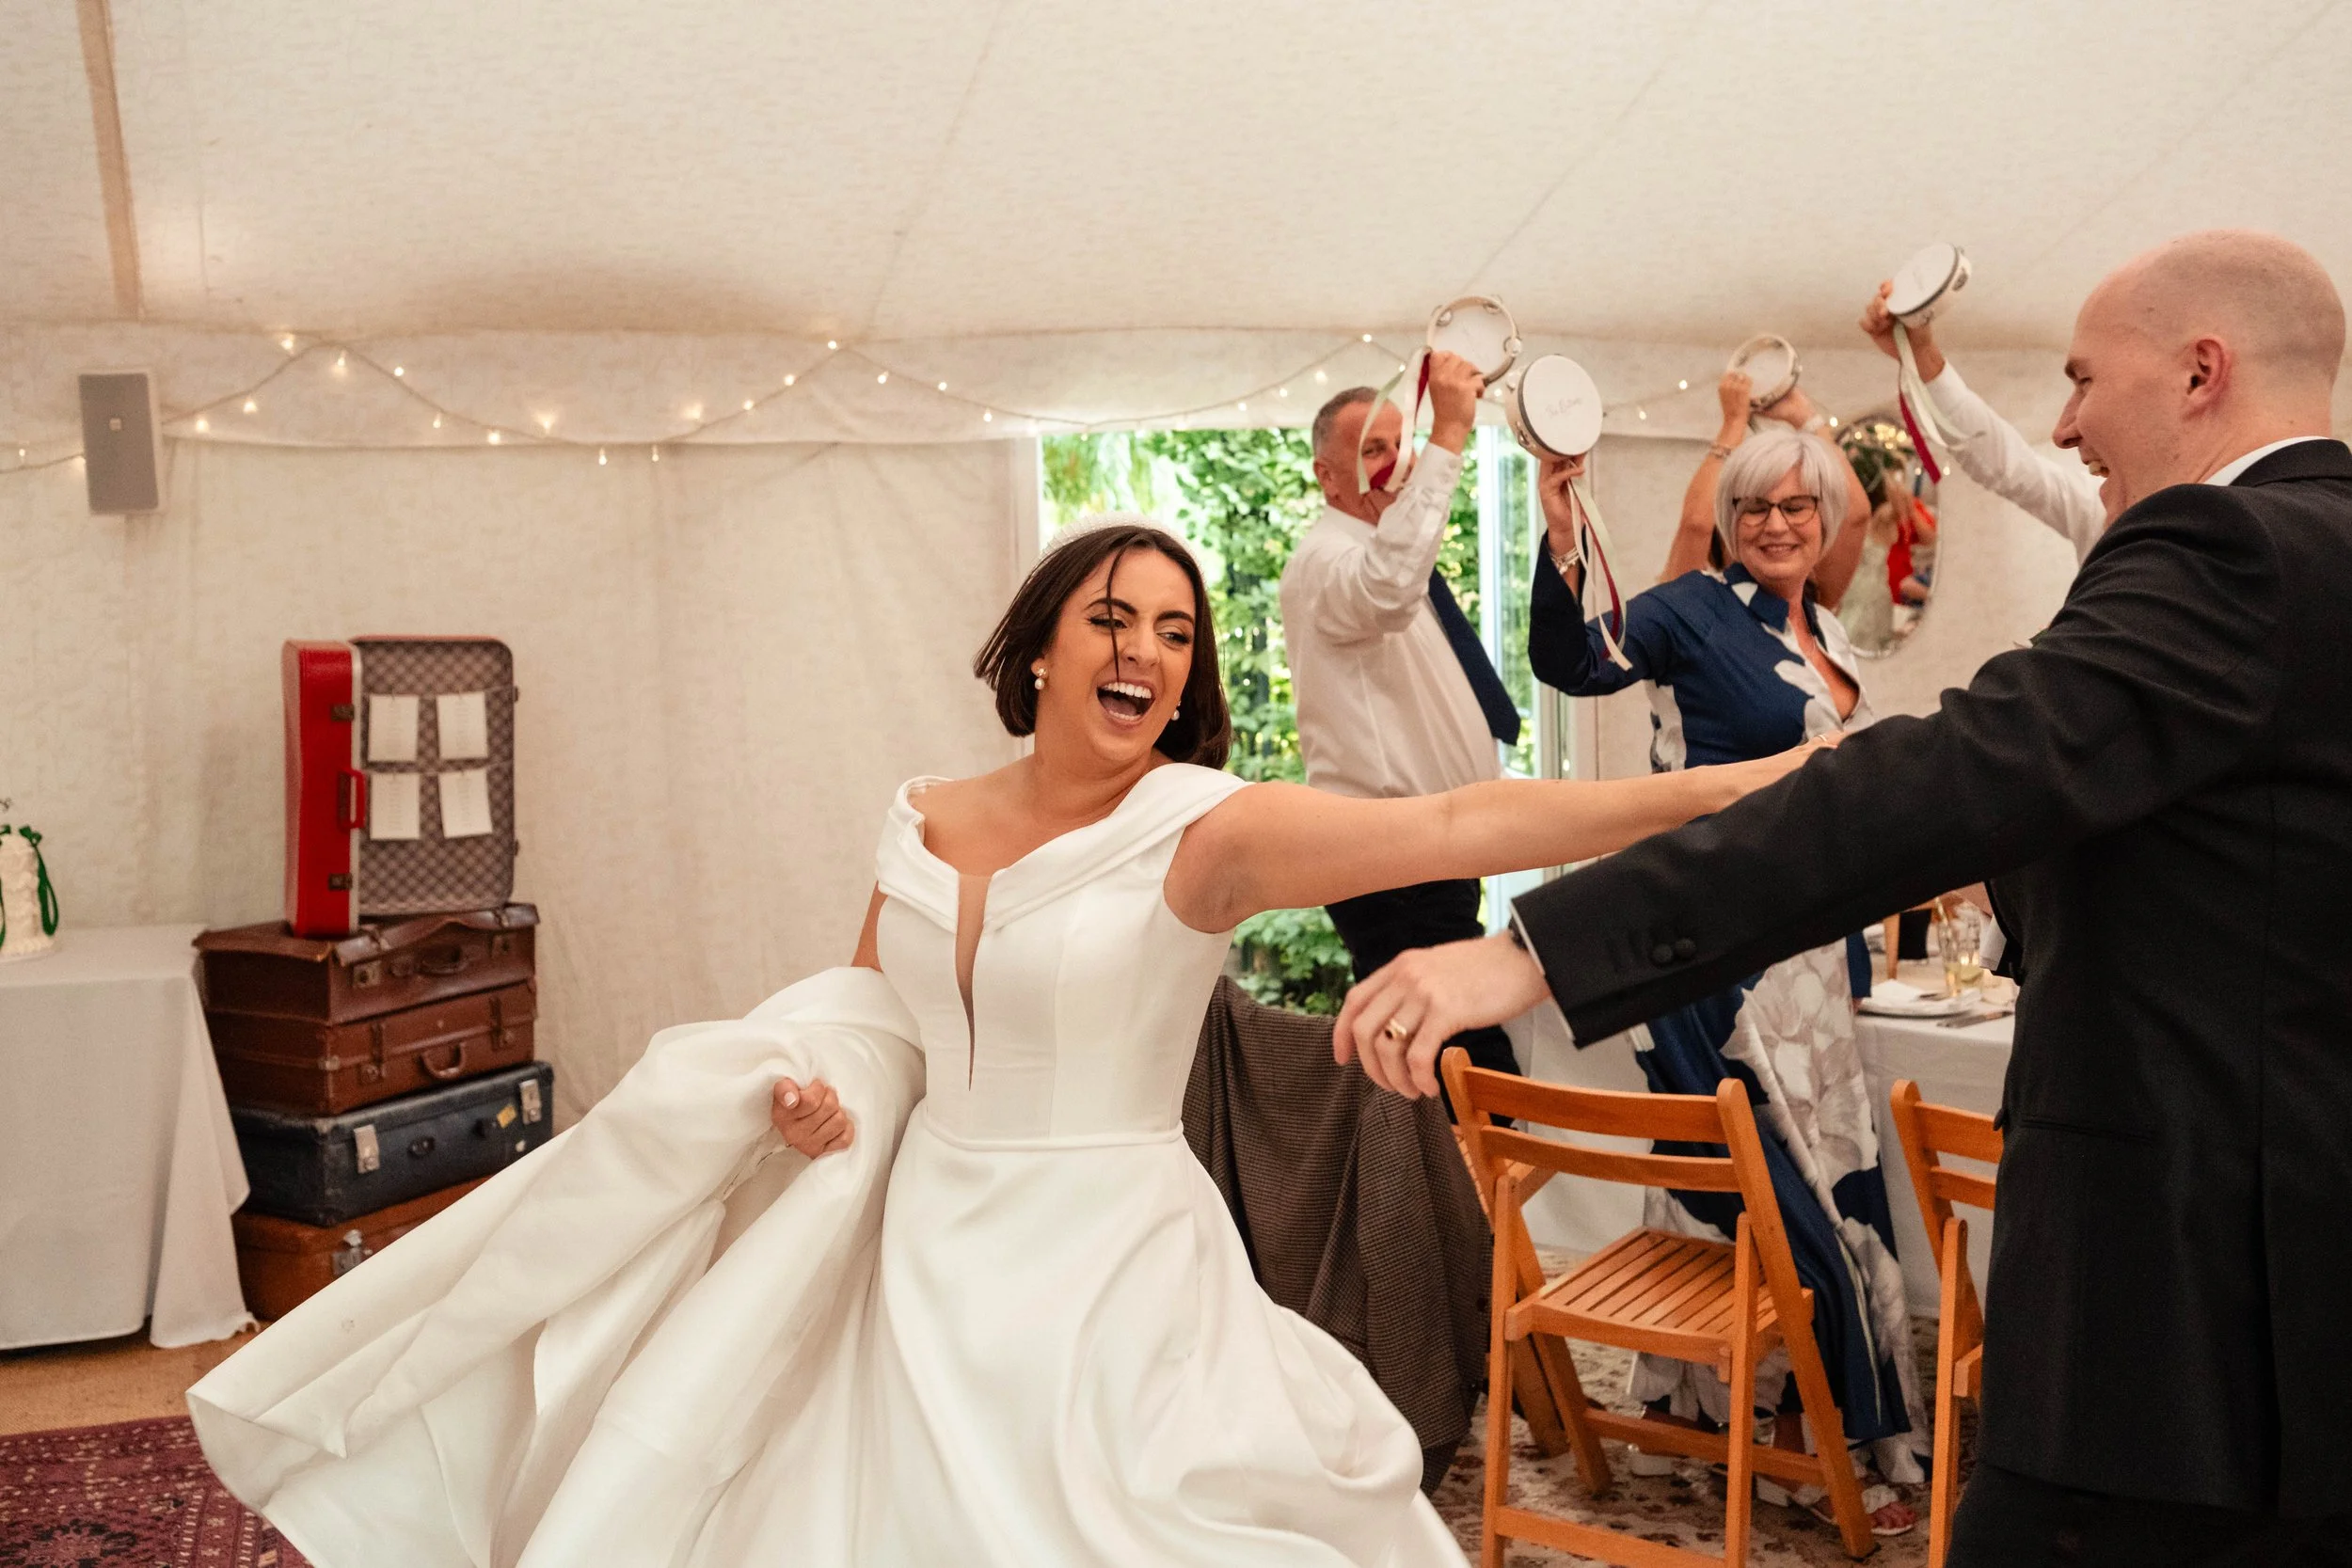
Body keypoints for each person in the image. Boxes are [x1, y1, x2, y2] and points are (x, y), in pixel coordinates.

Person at [192, 516, 1819, 1567]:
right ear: (1041, 644)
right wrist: (816, 1093)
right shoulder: (919, 812)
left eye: (1177, 633)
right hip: (917, 1241)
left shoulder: (1205, 831)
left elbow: (1464, 811)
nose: (1146, 651)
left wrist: (1733, 792)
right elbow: (868, 1004)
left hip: (1110, 1269)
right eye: (1115, 618)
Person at [1334, 230, 2352, 1564]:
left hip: (2186, 1288)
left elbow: (1937, 780)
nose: (2066, 418)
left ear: (2202, 371)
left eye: (2084, 377)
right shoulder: (1700, 611)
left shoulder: (2230, 547)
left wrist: (1537, 947)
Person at [1525, 424, 1925, 1535]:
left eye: (1798, 508)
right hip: (1724, 947)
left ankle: (1743, 1407)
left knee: (1835, 1167)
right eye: (1755, 508)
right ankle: (1830, 1431)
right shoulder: (1691, 608)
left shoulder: (1828, 623)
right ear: (1727, 520)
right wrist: (1563, 541)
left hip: (1819, 942)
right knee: (1772, 1179)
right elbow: (1576, 660)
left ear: (1828, 520)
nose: (1778, 525)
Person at [1279, 356, 1524, 1086]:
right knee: (1456, 1076)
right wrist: (1451, 429)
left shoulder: (1391, 559)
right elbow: (1385, 589)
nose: (1396, 464)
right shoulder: (1326, 562)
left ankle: (1465, 1194)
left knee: (1442, 1075)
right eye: (1372, 452)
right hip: (1391, 862)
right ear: (1328, 478)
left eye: (1401, 443)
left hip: (1434, 858)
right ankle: (1473, 1198)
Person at [1862, 279, 2106, 560]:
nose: (2062, 432)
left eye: (2087, 385)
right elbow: (2006, 465)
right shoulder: (2096, 508)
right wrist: (1921, 354)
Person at [1659, 369, 1874, 609]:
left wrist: (1805, 418)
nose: (1775, 526)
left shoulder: (1813, 598)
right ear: (1725, 533)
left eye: (1793, 508)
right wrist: (1733, 426)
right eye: (1755, 509)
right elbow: (1696, 524)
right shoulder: (1694, 603)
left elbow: (1855, 513)